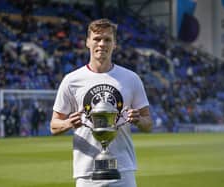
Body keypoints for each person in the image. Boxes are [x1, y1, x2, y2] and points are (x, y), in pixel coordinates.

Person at [50, 18, 153, 187]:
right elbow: (54, 125)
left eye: (107, 39)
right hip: (87, 172)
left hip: (123, 171)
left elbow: (148, 124)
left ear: (115, 44)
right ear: (87, 42)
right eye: (97, 39)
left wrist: (138, 120)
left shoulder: (131, 78)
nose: (102, 44)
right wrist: (69, 123)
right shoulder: (71, 80)